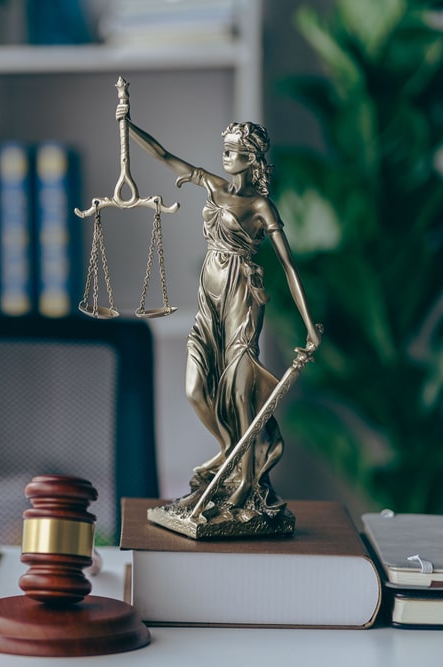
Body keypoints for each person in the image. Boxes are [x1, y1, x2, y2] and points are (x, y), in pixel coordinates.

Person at [122, 108, 322, 515]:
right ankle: (230, 449)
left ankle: (246, 482)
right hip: (208, 300)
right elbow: (164, 155)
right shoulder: (213, 186)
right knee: (195, 389)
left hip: (241, 297)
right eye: (225, 150)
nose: (225, 156)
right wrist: (127, 124)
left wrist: (309, 327)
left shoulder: (261, 206)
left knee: (239, 391)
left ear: (250, 159)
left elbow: (288, 267)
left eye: (232, 151)